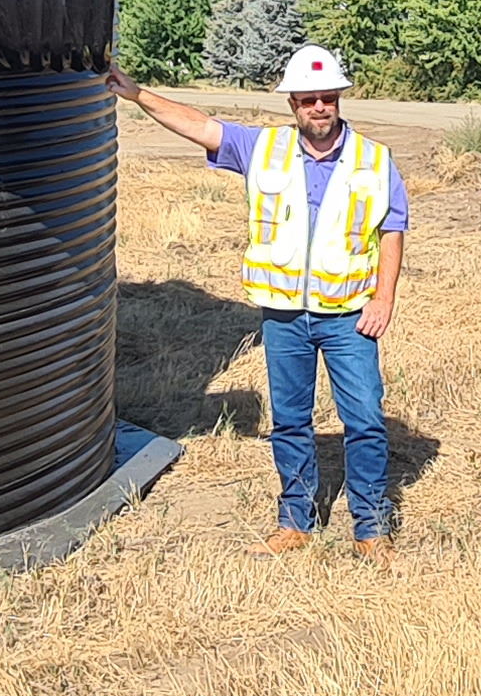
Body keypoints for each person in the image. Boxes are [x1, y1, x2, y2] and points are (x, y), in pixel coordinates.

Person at [106, 43, 408, 558]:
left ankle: (371, 528)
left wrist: (384, 299)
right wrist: (137, 95)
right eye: (308, 98)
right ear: (292, 103)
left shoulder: (374, 160)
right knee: (290, 421)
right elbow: (199, 126)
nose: (319, 107)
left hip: (349, 317)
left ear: (339, 98)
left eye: (327, 97)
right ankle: (296, 521)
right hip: (284, 316)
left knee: (364, 422)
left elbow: (392, 228)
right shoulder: (263, 149)